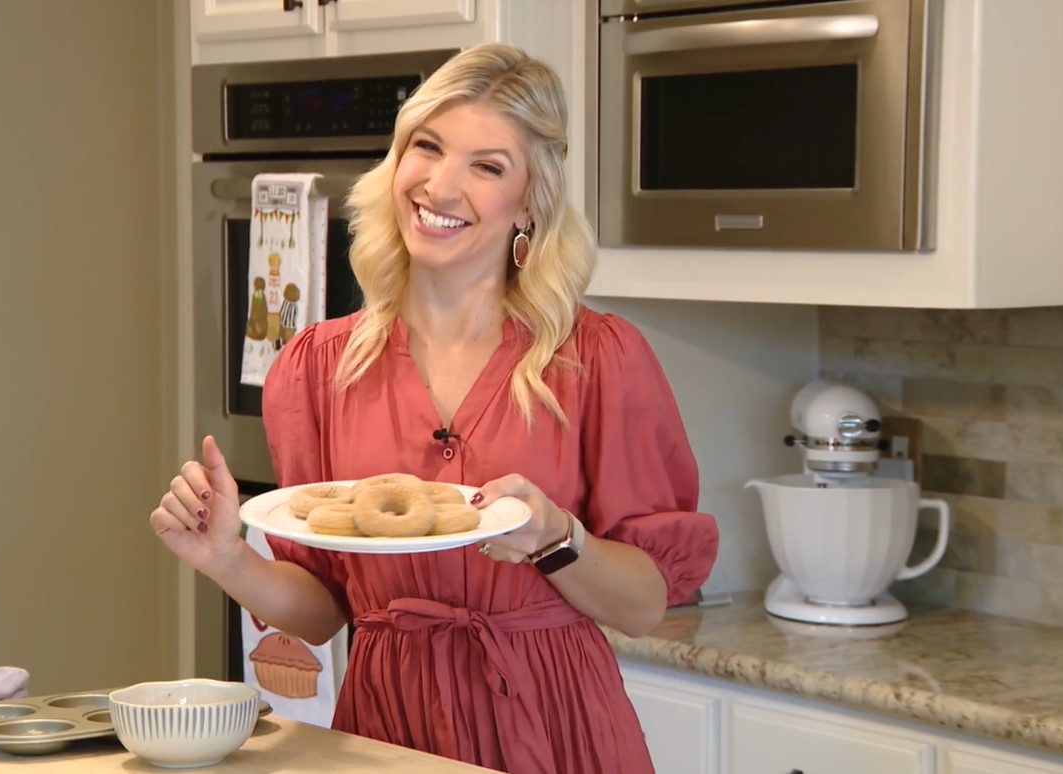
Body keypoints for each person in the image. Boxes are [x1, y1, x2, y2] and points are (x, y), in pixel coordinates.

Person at [151, 42, 719, 774]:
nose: (441, 187)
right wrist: (228, 558)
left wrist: (557, 537)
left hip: (555, 724)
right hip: (386, 730)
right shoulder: (318, 368)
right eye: (428, 147)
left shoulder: (597, 360)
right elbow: (325, 608)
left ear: (530, 202)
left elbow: (644, 604)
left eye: (488, 166)